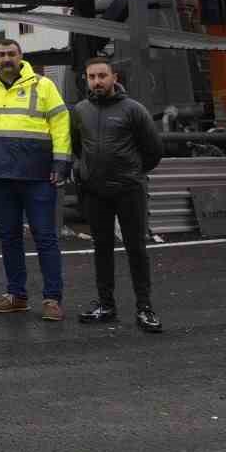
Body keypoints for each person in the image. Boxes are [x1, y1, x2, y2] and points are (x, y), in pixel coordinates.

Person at [0, 37, 71, 321]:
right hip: (0, 176)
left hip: (37, 176)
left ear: (21, 56)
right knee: (9, 238)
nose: (6, 59)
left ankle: (52, 298)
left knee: (45, 237)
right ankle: (16, 295)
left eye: (11, 54)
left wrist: (61, 162)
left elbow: (61, 123)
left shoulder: (43, 85)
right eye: (1, 54)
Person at [73, 57, 164, 333]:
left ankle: (145, 308)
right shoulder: (80, 111)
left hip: (129, 190)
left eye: (102, 76)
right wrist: (86, 173)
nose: (97, 81)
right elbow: (78, 147)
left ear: (114, 78)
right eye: (92, 77)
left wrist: (132, 173)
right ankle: (106, 305)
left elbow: (153, 150)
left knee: (136, 248)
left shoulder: (134, 110)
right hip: (95, 192)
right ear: (86, 79)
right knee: (102, 248)